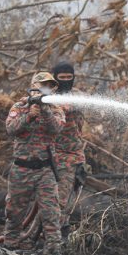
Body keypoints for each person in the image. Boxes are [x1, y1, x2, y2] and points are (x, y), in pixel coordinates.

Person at [5, 72, 66, 255]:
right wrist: (28, 117)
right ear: (33, 85)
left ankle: (53, 250)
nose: (46, 88)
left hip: (45, 170)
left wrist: (45, 111)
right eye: (42, 85)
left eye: (50, 85)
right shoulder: (19, 106)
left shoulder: (55, 109)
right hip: (21, 168)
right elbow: (10, 129)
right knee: (14, 209)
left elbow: (56, 129)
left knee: (51, 211)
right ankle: (10, 244)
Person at [50, 61, 86, 240]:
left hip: (73, 156)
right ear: (54, 78)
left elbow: (71, 106)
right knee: (53, 200)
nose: (65, 81)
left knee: (66, 199)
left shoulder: (76, 96)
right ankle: (50, 237)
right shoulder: (46, 97)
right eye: (61, 78)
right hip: (51, 156)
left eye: (69, 78)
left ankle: (60, 235)